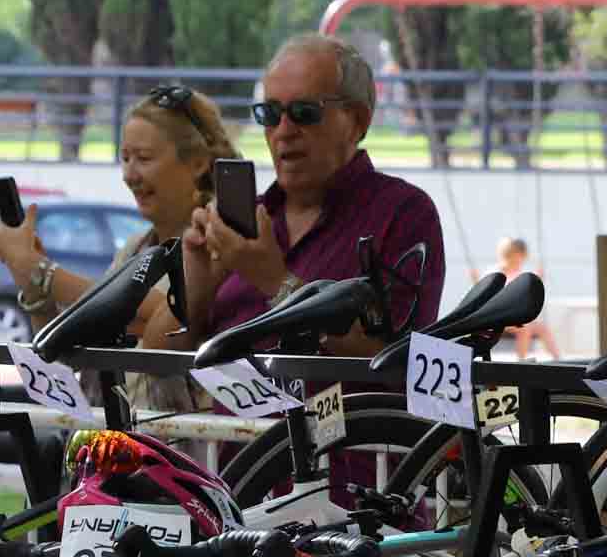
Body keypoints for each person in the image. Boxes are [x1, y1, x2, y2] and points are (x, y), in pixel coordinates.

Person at [182, 34, 445, 349]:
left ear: (357, 121)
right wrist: (199, 281)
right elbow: (157, 357)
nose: (283, 131)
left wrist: (275, 282)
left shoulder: (404, 214)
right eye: (269, 114)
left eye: (304, 112)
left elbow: (398, 361)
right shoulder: (249, 220)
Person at [0, 83, 236, 353]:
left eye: (143, 158)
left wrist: (39, 270)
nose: (129, 175)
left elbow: (158, 317)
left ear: (198, 163)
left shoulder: (223, 242)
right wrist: (31, 283)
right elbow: (71, 354)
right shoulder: (134, 249)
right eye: (125, 158)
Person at [488, 237, 561, 360]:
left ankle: (559, 360)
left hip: (514, 318)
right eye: (519, 257)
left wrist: (538, 282)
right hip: (497, 318)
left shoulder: (519, 273)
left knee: (542, 329)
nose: (520, 261)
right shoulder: (496, 273)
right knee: (525, 329)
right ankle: (521, 362)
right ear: (510, 255)